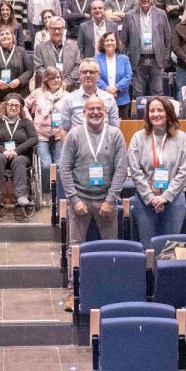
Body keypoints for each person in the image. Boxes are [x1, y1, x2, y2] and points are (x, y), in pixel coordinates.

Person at [61, 95, 129, 253]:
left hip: (106, 201)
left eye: (99, 109)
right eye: (91, 109)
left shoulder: (115, 134)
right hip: (80, 199)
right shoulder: (73, 135)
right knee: (75, 247)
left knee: (111, 248)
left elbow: (121, 169)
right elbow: (64, 169)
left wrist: (111, 200)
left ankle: (110, 277)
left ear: (105, 112)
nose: (95, 112)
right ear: (84, 112)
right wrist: (74, 199)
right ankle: (74, 278)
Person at [128, 97, 186, 249]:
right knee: (148, 247)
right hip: (145, 202)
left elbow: (183, 171)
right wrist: (150, 197)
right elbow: (136, 171)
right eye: (152, 111)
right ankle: (149, 274)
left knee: (171, 248)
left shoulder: (181, 138)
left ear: (168, 113)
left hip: (174, 200)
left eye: (160, 110)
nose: (156, 114)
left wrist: (165, 197)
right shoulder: (138, 138)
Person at [0, 93, 38, 207]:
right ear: (5, 106)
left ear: (20, 108)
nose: (13, 108)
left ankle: (21, 195)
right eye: (10, 105)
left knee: (19, 160)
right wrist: (2, 150)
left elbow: (34, 139)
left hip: (20, 155)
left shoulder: (26, 122)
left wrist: (17, 150)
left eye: (17, 106)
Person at [124, 0, 173, 102]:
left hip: (157, 60)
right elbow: (123, 41)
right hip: (137, 60)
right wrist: (127, 59)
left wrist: (165, 59)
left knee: (158, 93)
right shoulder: (129, 15)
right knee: (137, 94)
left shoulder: (162, 14)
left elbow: (168, 39)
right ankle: (137, 119)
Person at [26, 66, 68, 195]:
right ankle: (45, 191)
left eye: (59, 77)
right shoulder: (38, 93)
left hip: (58, 134)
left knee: (60, 164)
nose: (57, 80)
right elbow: (24, 105)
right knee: (46, 165)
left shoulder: (67, 96)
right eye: (53, 77)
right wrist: (29, 122)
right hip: (41, 134)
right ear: (46, 79)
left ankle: (58, 192)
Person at [0, 27, 34, 117]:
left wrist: (19, 80)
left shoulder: (21, 51)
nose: (4, 36)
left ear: (13, 36)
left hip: (18, 92)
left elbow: (30, 70)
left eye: (7, 34)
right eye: (2, 35)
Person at [61, 57, 120, 128]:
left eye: (91, 72)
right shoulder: (69, 99)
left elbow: (115, 128)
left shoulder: (109, 99)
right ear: (80, 75)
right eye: (84, 72)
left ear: (98, 75)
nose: (88, 75)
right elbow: (64, 129)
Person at [34, 16, 82, 91]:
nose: (57, 31)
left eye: (59, 28)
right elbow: (39, 68)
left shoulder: (74, 48)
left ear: (63, 29)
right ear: (48, 29)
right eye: (53, 29)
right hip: (47, 89)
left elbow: (78, 67)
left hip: (69, 89)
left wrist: (66, 83)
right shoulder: (40, 48)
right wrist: (53, 81)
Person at [95, 31, 133, 119]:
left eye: (112, 40)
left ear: (116, 43)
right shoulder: (96, 59)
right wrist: (107, 89)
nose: (110, 42)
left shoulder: (124, 59)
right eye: (107, 40)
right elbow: (95, 77)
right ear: (103, 43)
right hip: (102, 99)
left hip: (122, 99)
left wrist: (116, 88)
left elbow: (128, 76)